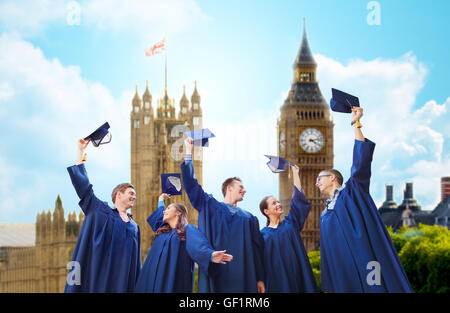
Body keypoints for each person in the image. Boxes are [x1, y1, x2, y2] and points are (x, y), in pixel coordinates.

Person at [318, 107, 412, 293]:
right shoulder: (324, 214)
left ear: (332, 178)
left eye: (320, 178)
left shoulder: (353, 193)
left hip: (367, 262)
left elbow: (360, 164)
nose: (316, 183)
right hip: (345, 273)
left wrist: (356, 123)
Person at [180, 138, 265, 293]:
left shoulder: (250, 219)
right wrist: (188, 152)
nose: (244, 190)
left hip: (244, 277)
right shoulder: (209, 205)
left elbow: (257, 250)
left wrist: (260, 278)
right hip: (217, 272)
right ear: (229, 188)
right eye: (241, 187)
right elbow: (191, 184)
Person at [65, 138, 141, 292]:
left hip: (122, 284)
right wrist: (80, 151)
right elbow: (84, 188)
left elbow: (136, 263)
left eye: (135, 195)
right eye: (131, 193)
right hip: (98, 280)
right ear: (119, 194)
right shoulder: (101, 211)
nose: (134, 197)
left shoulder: (134, 227)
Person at [134, 193, 233, 293]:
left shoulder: (186, 231)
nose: (164, 211)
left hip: (171, 280)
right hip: (150, 281)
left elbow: (198, 245)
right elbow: (160, 214)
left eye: (168, 208)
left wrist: (210, 255)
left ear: (178, 213)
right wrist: (160, 200)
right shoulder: (162, 231)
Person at [259, 164, 318, 293]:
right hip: (277, 282)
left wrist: (296, 174)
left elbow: (298, 201)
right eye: (274, 203)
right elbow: (257, 262)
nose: (279, 204)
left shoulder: (291, 223)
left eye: (278, 202)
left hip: (298, 276)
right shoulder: (261, 235)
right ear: (266, 211)